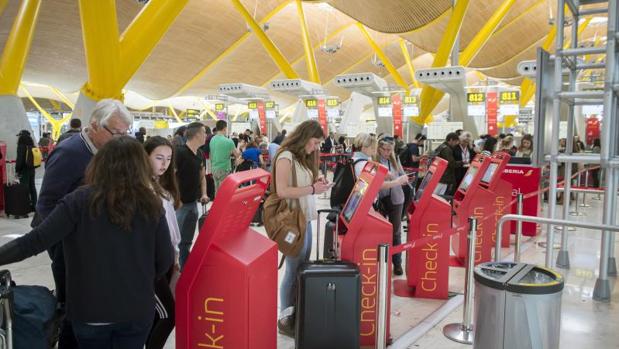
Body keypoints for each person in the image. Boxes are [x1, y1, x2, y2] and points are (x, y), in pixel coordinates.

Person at [0, 136, 174, 348]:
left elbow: (34, 242)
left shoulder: (79, 201)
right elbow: (164, 260)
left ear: (100, 164)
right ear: (141, 167)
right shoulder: (152, 204)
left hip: (90, 311)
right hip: (137, 311)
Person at [34, 99, 133, 348]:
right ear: (94, 125)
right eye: (117, 133)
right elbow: (46, 204)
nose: (122, 139)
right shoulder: (70, 153)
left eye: (125, 133)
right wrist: (63, 244)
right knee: (72, 309)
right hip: (68, 247)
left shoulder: (108, 152)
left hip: (96, 246)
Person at [273, 120, 331, 337]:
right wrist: (312, 188)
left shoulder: (302, 158)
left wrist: (318, 181)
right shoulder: (286, 156)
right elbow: (282, 191)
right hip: (291, 222)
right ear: (305, 137)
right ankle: (285, 317)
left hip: (304, 219)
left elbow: (305, 184)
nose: (316, 147)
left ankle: (296, 312)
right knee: (292, 269)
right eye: (315, 142)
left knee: (302, 267)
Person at [144, 136, 181, 349]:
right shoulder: (142, 188)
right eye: (159, 157)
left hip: (166, 260)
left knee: (160, 315)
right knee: (168, 314)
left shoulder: (158, 185)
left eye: (168, 158)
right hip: (152, 265)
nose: (164, 164)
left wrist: (175, 256)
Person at [174, 122, 209, 269]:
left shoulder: (200, 154)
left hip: (193, 203)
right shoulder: (179, 153)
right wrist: (176, 199)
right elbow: (171, 177)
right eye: (204, 132)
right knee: (175, 240)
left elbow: (202, 177)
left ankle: (185, 267)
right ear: (197, 134)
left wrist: (204, 193)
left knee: (187, 240)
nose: (206, 135)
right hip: (179, 205)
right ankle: (172, 270)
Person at [374, 135, 410, 275]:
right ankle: (381, 262)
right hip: (380, 199)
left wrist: (404, 179)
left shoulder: (395, 159)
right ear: (379, 148)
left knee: (396, 233)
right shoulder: (374, 160)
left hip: (396, 198)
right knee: (380, 231)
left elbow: (401, 173)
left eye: (390, 150)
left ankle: (397, 264)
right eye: (385, 149)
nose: (388, 152)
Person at [210, 120, 240, 192]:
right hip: (224, 169)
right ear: (224, 128)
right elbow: (237, 154)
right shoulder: (228, 141)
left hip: (214, 168)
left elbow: (211, 154)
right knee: (224, 191)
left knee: (217, 190)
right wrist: (239, 147)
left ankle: (217, 203)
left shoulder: (212, 139)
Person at [15, 130, 37, 215]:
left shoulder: (21, 146)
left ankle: (25, 208)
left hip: (24, 170)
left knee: (24, 189)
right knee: (32, 187)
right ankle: (35, 206)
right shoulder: (32, 145)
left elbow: (19, 160)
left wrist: (17, 170)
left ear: (21, 136)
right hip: (32, 169)